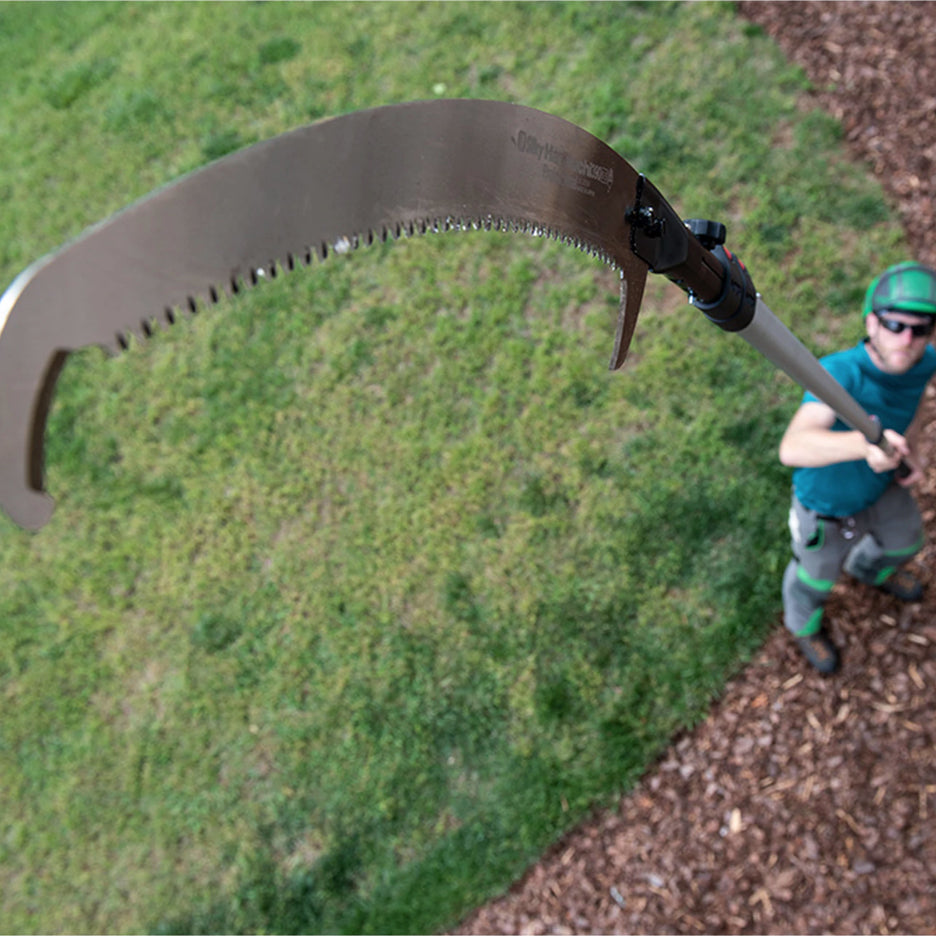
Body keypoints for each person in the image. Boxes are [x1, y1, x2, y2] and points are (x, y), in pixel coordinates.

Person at [778, 261, 936, 674]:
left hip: (882, 485)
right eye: (894, 325)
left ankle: (867, 569)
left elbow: (913, 405)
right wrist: (865, 446)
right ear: (871, 322)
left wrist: (914, 450)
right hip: (825, 506)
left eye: (920, 329)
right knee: (813, 581)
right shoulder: (838, 374)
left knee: (906, 543)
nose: (907, 340)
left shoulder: (924, 362)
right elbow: (792, 447)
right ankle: (803, 627)